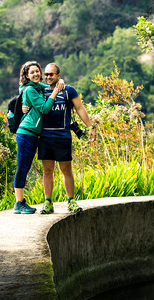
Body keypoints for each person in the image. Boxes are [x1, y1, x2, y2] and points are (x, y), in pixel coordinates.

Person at [35, 63, 96, 214]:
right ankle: (48, 202)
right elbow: (26, 88)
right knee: (47, 171)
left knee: (66, 170)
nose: (49, 77)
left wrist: (90, 127)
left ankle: (71, 201)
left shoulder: (68, 90)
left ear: (58, 75)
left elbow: (80, 108)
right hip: (45, 136)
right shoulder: (40, 91)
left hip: (63, 136)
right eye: (47, 74)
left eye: (52, 74)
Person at [12, 61, 65, 214]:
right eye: (32, 72)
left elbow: (51, 86)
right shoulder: (30, 90)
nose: (36, 74)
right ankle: (18, 203)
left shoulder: (38, 87)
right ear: (27, 76)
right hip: (26, 133)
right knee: (22, 167)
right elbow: (44, 108)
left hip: (33, 134)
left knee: (25, 166)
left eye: (37, 71)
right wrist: (54, 94)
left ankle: (20, 202)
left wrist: (59, 81)